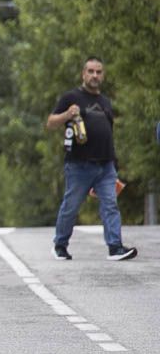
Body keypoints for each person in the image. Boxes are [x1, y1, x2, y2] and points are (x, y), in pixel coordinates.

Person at [46, 56, 137, 261]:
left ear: (102, 75)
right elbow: (51, 123)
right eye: (91, 71)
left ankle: (115, 247)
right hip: (79, 165)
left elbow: (109, 132)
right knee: (71, 207)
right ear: (83, 74)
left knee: (110, 206)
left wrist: (113, 162)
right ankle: (60, 245)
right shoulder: (71, 97)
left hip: (105, 166)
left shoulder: (105, 102)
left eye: (98, 72)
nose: (95, 75)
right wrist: (67, 115)